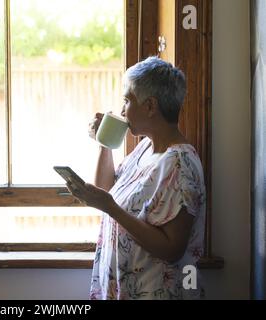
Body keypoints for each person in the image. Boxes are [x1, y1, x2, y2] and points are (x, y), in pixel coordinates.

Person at [66, 56, 206, 300]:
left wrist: (110, 208)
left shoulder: (180, 163)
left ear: (150, 106)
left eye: (127, 100)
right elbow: (106, 187)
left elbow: (172, 249)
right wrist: (104, 142)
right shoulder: (145, 149)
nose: (122, 110)